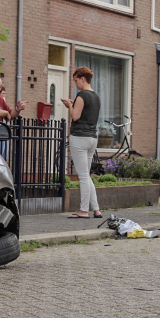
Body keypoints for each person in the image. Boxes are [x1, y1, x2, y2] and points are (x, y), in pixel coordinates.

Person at [62, 67, 103, 219]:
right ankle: (96, 209)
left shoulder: (82, 95)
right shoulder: (96, 96)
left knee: (83, 176)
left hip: (80, 137)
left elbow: (75, 116)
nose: (75, 84)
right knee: (87, 175)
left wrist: (69, 105)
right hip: (92, 138)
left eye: (76, 80)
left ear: (83, 79)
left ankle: (83, 210)